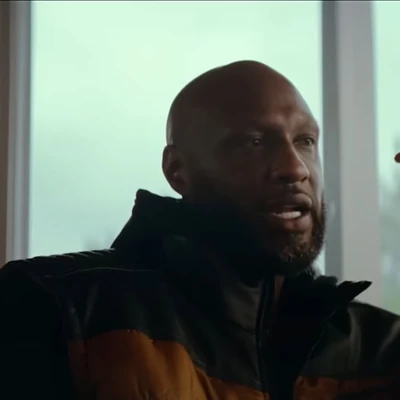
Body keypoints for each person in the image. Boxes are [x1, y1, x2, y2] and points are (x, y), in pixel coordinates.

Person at [0, 60, 399, 400]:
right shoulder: (53, 305)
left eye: (305, 141)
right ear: (177, 171)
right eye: (254, 141)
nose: (294, 168)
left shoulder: (381, 347)